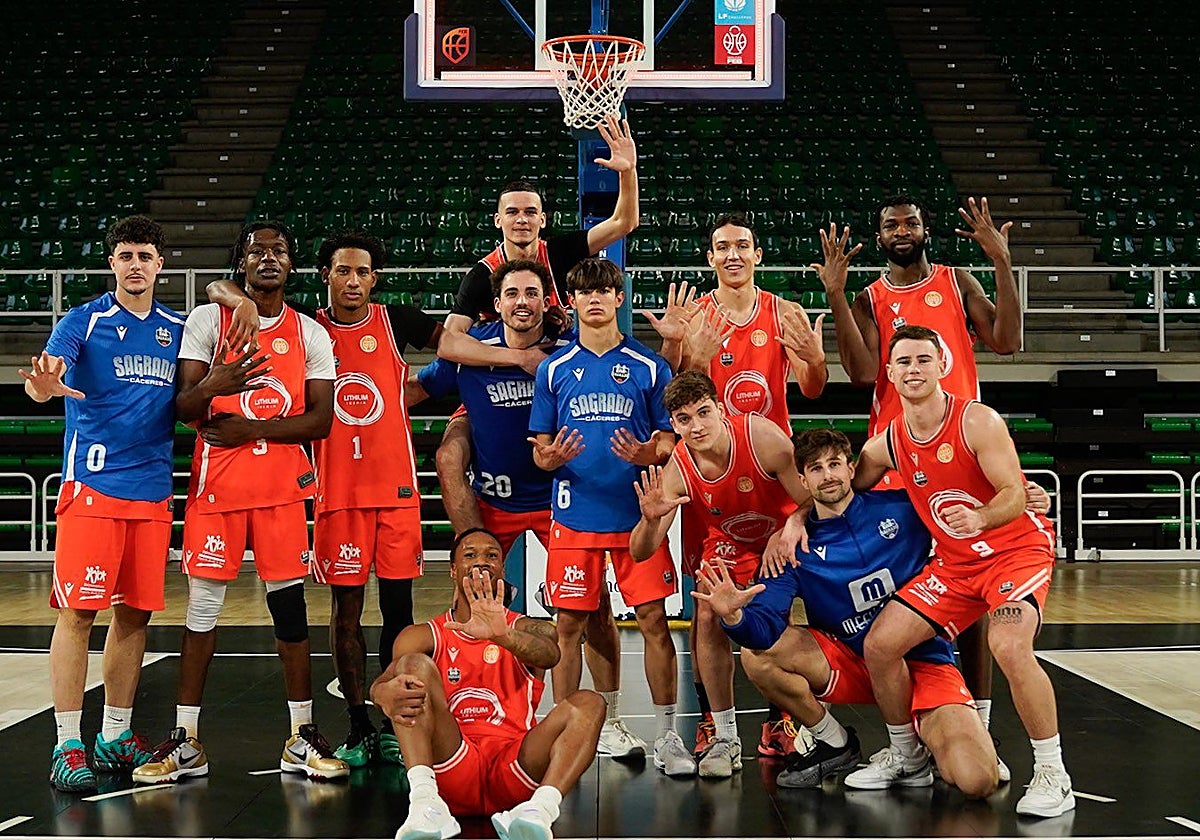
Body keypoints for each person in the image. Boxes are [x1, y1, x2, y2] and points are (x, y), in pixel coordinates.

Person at [813, 194, 1023, 772]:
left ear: (925, 230)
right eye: (890, 225)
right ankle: (907, 732)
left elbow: (1008, 341)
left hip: (962, 460)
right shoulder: (869, 297)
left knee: (976, 594)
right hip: (894, 463)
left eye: (910, 222)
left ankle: (978, 722)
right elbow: (859, 374)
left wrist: (1001, 262)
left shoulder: (958, 282)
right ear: (879, 237)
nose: (901, 231)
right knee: (902, 592)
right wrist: (834, 292)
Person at [133, 221, 348, 783]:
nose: (268, 258)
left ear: (291, 265)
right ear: (241, 265)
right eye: (257, 251)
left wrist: (251, 427)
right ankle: (186, 740)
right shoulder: (208, 320)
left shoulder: (309, 333)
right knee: (202, 613)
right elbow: (183, 407)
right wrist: (215, 382)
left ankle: (301, 734)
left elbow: (321, 420)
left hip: (280, 493)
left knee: (290, 614)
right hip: (217, 491)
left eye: (279, 250)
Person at [696, 428, 1001, 798]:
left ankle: (924, 739)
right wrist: (735, 618)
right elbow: (765, 630)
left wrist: (1014, 500)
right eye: (816, 469)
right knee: (758, 658)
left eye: (835, 464)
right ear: (803, 480)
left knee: (977, 780)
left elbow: (961, 500)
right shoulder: (792, 546)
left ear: (851, 468)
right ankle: (836, 743)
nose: (828, 476)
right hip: (852, 662)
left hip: (922, 665)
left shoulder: (903, 510)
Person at [853, 325, 1073, 818]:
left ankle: (1054, 774)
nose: (913, 370)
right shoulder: (887, 441)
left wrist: (981, 516)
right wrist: (796, 521)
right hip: (955, 564)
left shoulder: (978, 421)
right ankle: (908, 757)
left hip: (1013, 550)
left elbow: (1015, 494)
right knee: (881, 645)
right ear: (889, 373)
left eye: (923, 361)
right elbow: (841, 490)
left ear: (943, 366)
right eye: (904, 362)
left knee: (1009, 644)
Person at [21, 216, 186, 792]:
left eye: (144, 255)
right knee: (78, 613)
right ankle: (67, 742)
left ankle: (115, 732)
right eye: (124, 256)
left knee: (136, 614)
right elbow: (45, 377)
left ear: (161, 264)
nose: (135, 265)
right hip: (92, 490)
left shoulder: (179, 328)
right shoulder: (83, 319)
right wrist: (44, 386)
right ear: (111, 264)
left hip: (153, 492)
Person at [528, 258, 692, 776]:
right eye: (583, 292)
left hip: (634, 514)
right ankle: (584, 724)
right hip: (575, 513)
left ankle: (668, 736)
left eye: (604, 291)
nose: (594, 299)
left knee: (652, 621)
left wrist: (652, 453)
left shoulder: (648, 366)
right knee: (571, 624)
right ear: (571, 303)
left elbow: (668, 438)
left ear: (619, 299)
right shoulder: (553, 368)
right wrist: (548, 460)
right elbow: (539, 448)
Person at [682, 211, 827, 757]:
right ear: (710, 257)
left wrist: (813, 359)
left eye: (742, 245)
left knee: (778, 597)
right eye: (722, 246)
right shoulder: (696, 314)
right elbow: (678, 396)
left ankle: (779, 722)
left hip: (774, 470)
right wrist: (690, 354)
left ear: (758, 254)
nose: (733, 255)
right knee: (707, 604)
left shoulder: (784, 311)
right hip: (714, 472)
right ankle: (711, 722)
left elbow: (812, 389)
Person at [629, 371, 812, 777]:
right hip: (730, 544)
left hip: (781, 536)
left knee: (789, 620)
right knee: (709, 611)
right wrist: (648, 520)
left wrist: (790, 526)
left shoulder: (761, 437)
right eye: (683, 419)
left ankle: (802, 719)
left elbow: (812, 499)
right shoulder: (679, 464)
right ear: (673, 424)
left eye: (703, 413)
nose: (696, 426)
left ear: (722, 409)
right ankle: (726, 736)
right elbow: (641, 551)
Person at [371, 528, 605, 840]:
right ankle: (426, 804)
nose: (481, 561)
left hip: (514, 767)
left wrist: (502, 635)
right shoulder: (423, 635)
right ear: (453, 570)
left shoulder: (526, 628)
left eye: (492, 555)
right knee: (412, 667)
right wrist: (381, 693)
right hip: (452, 762)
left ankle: (539, 811)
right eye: (470, 555)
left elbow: (551, 653)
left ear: (502, 570)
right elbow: (385, 681)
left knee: (590, 703)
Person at [444, 114, 640, 332]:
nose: (521, 219)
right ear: (498, 221)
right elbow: (450, 340)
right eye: (512, 212)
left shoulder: (561, 251)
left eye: (530, 212)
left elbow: (624, 222)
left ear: (542, 220)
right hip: (506, 358)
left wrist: (627, 171)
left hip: (558, 359)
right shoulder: (481, 277)